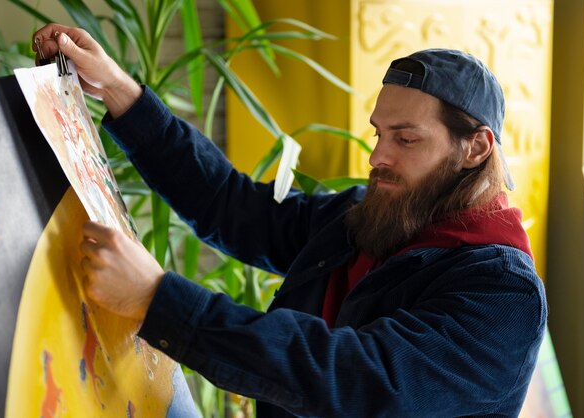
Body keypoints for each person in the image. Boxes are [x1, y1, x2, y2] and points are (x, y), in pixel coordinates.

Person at [32, 24, 547, 417]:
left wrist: (157, 298)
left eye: (406, 139)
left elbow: (351, 377)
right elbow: (231, 207)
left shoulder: (503, 294)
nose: (378, 157)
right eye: (378, 134)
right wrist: (121, 92)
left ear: (476, 147)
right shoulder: (373, 215)